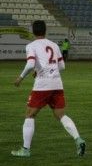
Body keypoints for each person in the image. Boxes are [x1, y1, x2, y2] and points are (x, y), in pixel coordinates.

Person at [11, 20, 85, 158]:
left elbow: (31, 63)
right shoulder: (54, 45)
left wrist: (21, 77)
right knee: (61, 115)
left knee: (29, 115)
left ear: (33, 31)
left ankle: (25, 149)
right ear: (45, 31)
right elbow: (62, 66)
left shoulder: (31, 45)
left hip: (42, 85)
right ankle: (78, 139)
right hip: (57, 84)